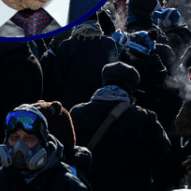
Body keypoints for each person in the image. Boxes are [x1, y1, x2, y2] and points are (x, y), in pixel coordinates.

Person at [70, 62, 171, 191]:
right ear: (132, 89)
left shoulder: (77, 112)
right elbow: (163, 154)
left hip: (89, 186)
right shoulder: (145, 117)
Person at [0, 105, 89, 190]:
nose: (20, 146)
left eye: (28, 138)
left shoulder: (69, 186)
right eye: (14, 137)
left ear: (43, 143)